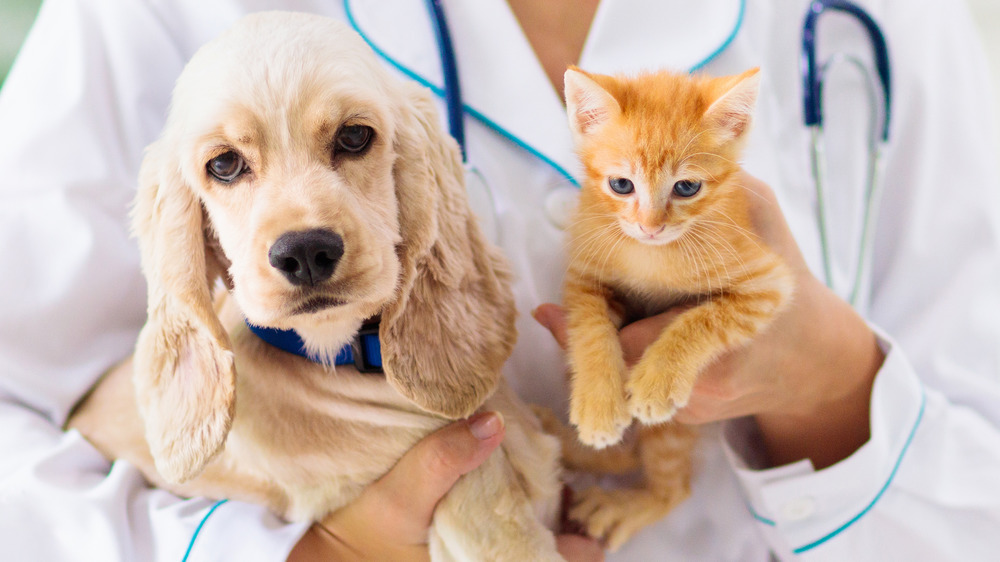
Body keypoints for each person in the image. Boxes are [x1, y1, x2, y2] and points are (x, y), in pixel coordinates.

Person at [1, 0, 998, 560]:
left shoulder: (897, 24)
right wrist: (299, 558)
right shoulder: (140, 16)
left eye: (351, 141)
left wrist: (830, 385)